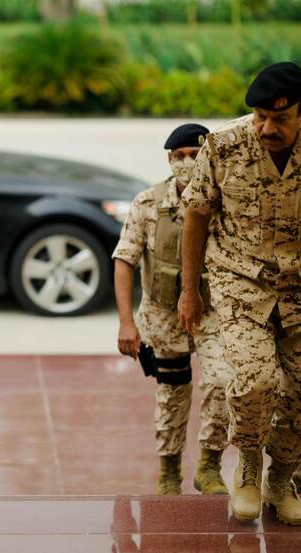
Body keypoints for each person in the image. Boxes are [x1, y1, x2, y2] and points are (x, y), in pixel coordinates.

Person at [179, 61, 301, 525]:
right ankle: (250, 468)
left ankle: (282, 481)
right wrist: (189, 291)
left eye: (280, 119)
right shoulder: (224, 146)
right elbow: (196, 215)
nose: (267, 128)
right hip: (240, 283)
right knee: (255, 381)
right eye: (259, 117)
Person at [113, 123, 230, 496]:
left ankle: (210, 465)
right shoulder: (148, 204)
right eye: (179, 156)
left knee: (222, 383)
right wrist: (126, 324)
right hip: (164, 318)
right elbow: (124, 260)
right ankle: (169, 472)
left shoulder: (226, 199)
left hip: (213, 313)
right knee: (173, 393)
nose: (187, 162)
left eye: (195, 156)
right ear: (169, 159)